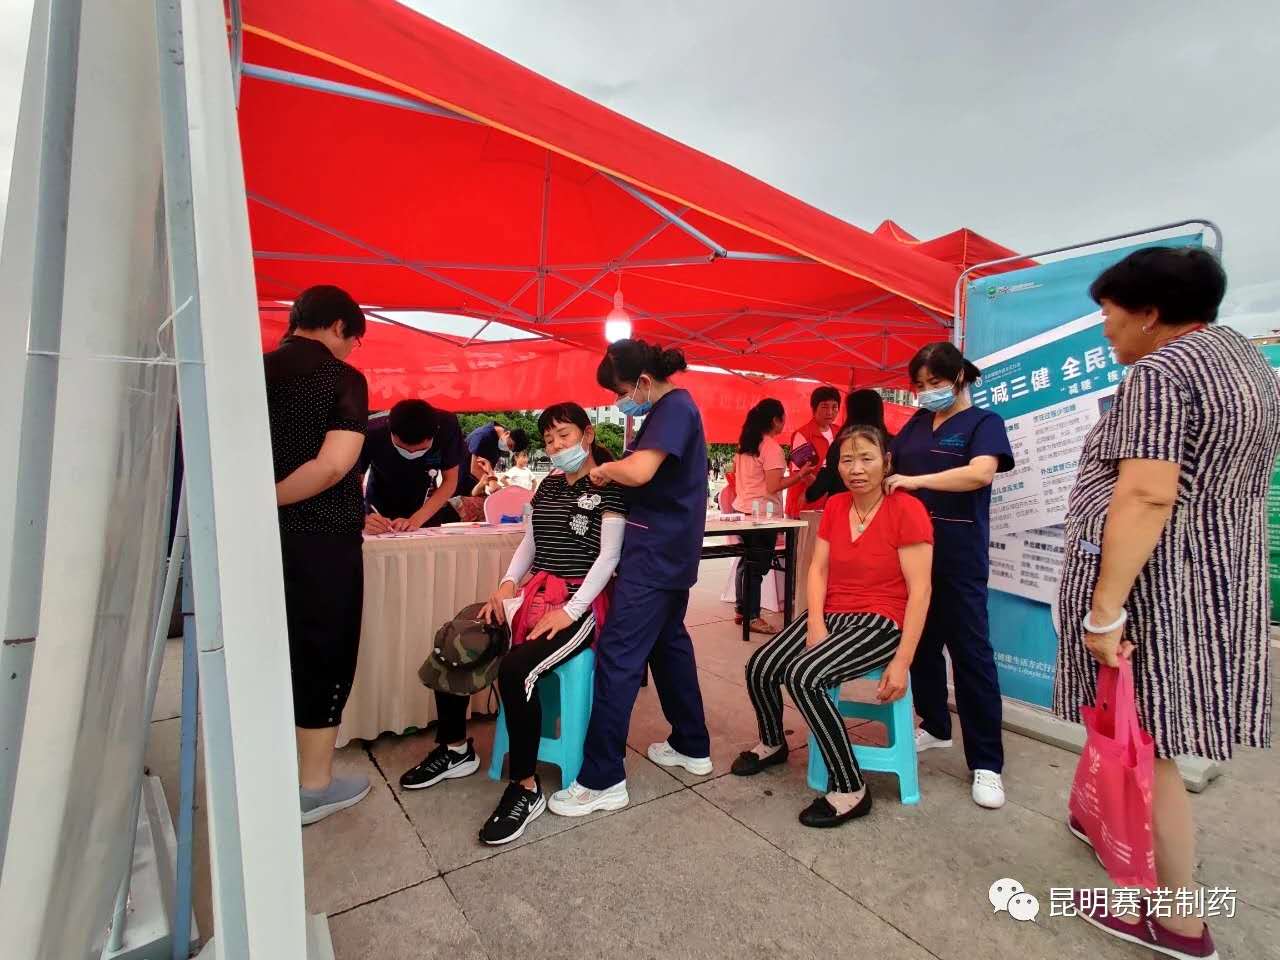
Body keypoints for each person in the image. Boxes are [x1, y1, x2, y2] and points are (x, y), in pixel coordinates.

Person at [1053, 248, 1278, 958]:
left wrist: (1105, 611)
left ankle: (1180, 922)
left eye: (1109, 313)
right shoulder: (1245, 361)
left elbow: (1148, 494)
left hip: (1158, 589)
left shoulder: (1160, 373)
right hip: (1216, 579)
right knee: (1138, 731)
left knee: (1149, 744)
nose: (1105, 329)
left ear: (1149, 314)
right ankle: (1104, 824)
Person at [398, 403, 627, 845]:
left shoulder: (610, 487)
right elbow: (530, 544)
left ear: (587, 434)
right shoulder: (549, 485)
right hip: (533, 592)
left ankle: (525, 787)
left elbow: (609, 557)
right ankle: (455, 749)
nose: (556, 446)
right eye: (549, 440)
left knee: (516, 669)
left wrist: (572, 610)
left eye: (564, 435)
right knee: (457, 636)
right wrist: (506, 585)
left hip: (578, 602)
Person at [733, 425, 932, 827]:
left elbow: (921, 590)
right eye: (847, 460)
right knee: (760, 666)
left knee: (804, 676)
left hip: (881, 621)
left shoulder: (907, 509)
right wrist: (815, 622)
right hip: (833, 614)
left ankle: (850, 787)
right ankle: (773, 741)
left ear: (886, 462)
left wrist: (903, 661)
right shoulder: (838, 506)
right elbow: (818, 570)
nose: (856, 469)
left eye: (866, 458)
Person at [548, 340, 713, 816]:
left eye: (621, 392)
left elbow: (640, 471)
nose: (621, 401)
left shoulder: (673, 409)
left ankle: (602, 779)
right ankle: (691, 743)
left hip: (656, 556)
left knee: (618, 656)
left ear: (642, 381)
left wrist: (605, 470)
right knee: (668, 647)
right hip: (668, 552)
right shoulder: (665, 411)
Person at [887, 343, 1014, 809]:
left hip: (959, 556)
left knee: (970, 654)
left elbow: (980, 475)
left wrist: (917, 482)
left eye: (934, 383)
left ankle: (987, 762)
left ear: (959, 377)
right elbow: (889, 465)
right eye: (919, 385)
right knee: (919, 645)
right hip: (910, 554)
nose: (926, 392)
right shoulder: (916, 424)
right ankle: (935, 725)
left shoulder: (984, 423)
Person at [264, 285, 372, 825]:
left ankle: (265, 770)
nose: (352, 350)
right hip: (321, 540)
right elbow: (332, 466)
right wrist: (267, 498)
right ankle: (313, 785)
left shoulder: (255, 371)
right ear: (338, 327)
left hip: (255, 544)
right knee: (323, 653)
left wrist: (249, 507)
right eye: (354, 339)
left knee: (267, 650)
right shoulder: (341, 378)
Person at [732, 399, 817, 635]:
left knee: (746, 563)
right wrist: (800, 475)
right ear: (775, 420)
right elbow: (773, 485)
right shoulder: (771, 448)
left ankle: (742, 610)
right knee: (757, 567)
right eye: (783, 419)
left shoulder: (746, 444)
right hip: (762, 515)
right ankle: (752, 616)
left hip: (743, 510)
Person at [360, 399, 465, 533]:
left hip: (427, 505)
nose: (411, 453)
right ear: (391, 432)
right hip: (379, 507)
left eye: (421, 449)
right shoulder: (369, 431)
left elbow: (450, 481)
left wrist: (416, 520)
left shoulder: (448, 426)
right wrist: (361, 518)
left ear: (435, 432)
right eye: (403, 449)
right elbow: (351, 484)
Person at [804, 388, 892, 506]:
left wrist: (810, 494)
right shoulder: (892, 442)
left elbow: (826, 477)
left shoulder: (841, 443)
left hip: (843, 507)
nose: (857, 470)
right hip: (882, 506)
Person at [785, 385, 842, 517]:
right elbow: (803, 473)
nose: (830, 412)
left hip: (831, 504)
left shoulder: (840, 433)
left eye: (834, 407)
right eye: (824, 407)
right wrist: (824, 489)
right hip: (806, 505)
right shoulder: (803, 434)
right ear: (813, 408)